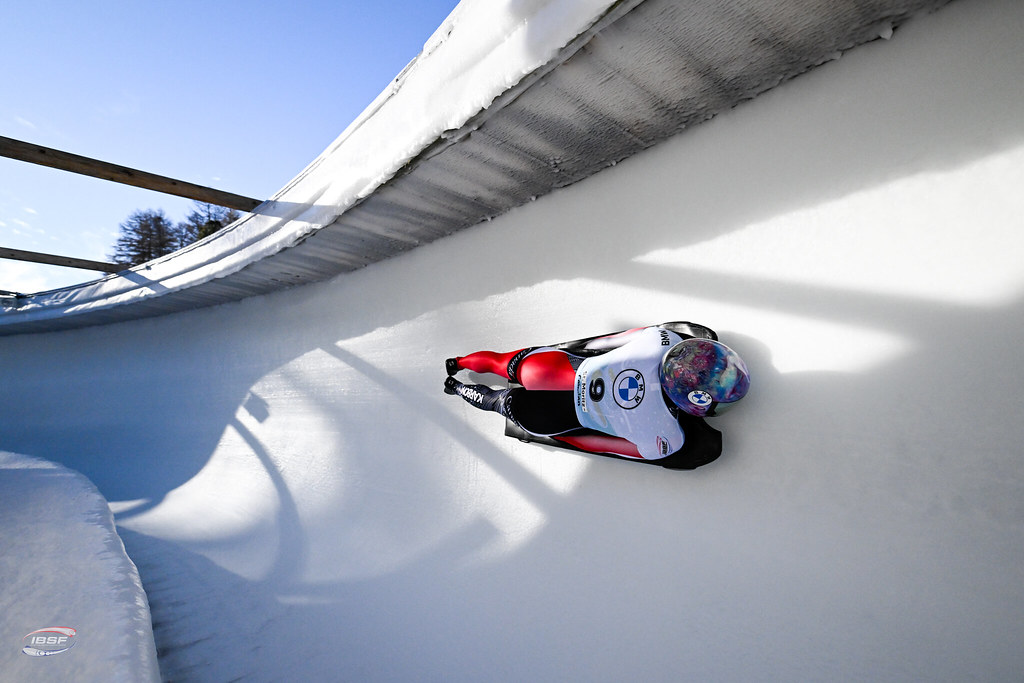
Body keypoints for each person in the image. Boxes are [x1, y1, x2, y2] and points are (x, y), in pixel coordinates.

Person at [443, 322, 750, 469]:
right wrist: (563, 437)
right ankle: (457, 389)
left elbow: (604, 343)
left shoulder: (660, 339)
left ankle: (458, 364)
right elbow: (599, 445)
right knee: (497, 402)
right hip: (546, 417)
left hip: (549, 368)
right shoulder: (666, 437)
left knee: (500, 362)